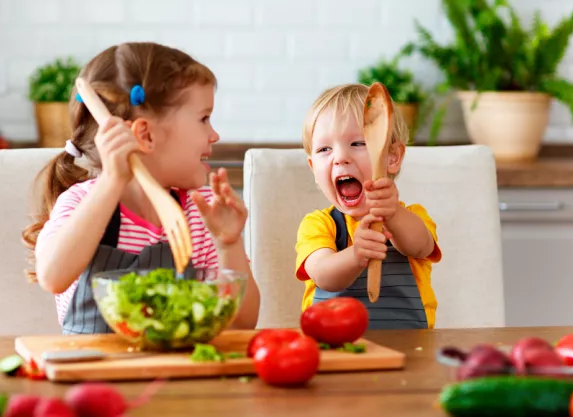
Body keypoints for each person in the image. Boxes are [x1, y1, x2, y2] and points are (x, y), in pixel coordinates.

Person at [22, 42, 260, 334]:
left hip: (177, 373)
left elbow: (243, 323)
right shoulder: (82, 202)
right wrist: (111, 181)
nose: (214, 135)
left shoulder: (202, 211)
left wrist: (228, 243)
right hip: (95, 370)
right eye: (204, 118)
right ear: (145, 134)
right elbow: (52, 277)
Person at [295, 84, 442, 329]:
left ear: (392, 157)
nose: (340, 157)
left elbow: (419, 246)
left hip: (410, 346)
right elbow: (323, 275)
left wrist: (392, 213)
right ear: (313, 168)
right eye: (324, 149)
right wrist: (356, 255)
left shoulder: (412, 216)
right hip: (334, 347)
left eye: (358, 143)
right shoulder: (319, 224)